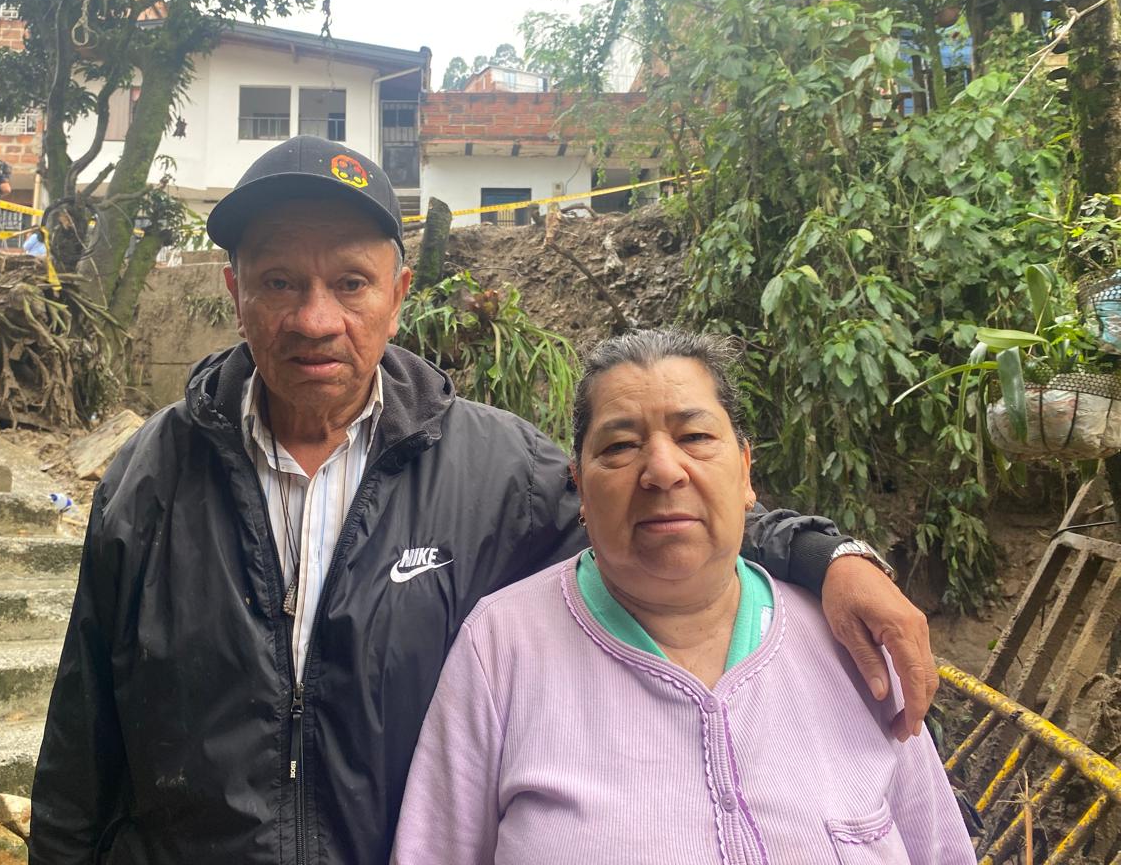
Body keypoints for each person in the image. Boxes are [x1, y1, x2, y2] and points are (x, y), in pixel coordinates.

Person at [29, 136, 936, 865]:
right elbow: (81, 752)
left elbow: (659, 515)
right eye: (279, 282)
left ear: (398, 295)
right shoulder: (150, 477)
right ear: (235, 290)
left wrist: (827, 557)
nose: (315, 318)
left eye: (350, 282)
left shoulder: (493, 469)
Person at [392, 330, 972, 865]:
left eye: (695, 437)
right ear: (581, 488)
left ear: (745, 471)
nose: (663, 470)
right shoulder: (500, 648)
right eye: (621, 446)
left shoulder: (848, 641)